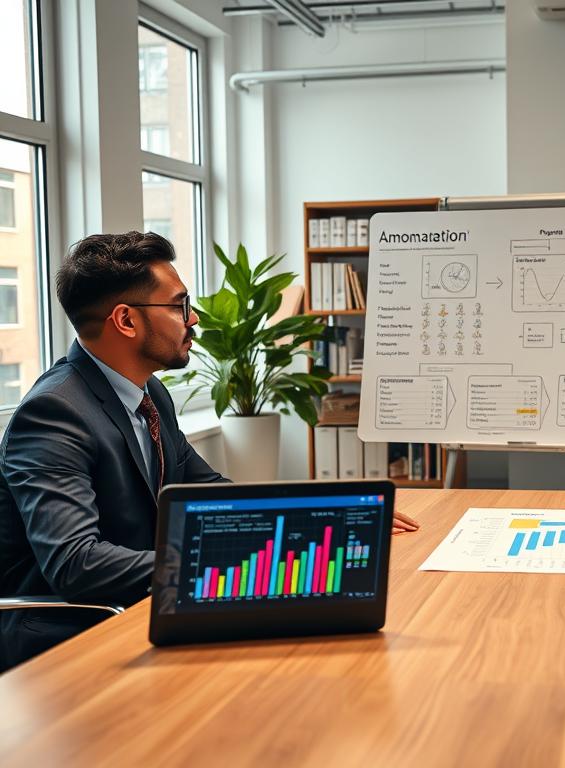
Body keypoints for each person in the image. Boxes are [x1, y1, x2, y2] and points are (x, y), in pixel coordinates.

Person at [0, 232, 419, 669]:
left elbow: (212, 490)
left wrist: (332, 520)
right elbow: (76, 564)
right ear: (126, 321)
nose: (194, 318)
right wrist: (223, 562)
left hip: (141, 611)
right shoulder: (55, 414)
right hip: (70, 638)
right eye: (180, 305)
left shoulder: (149, 395)